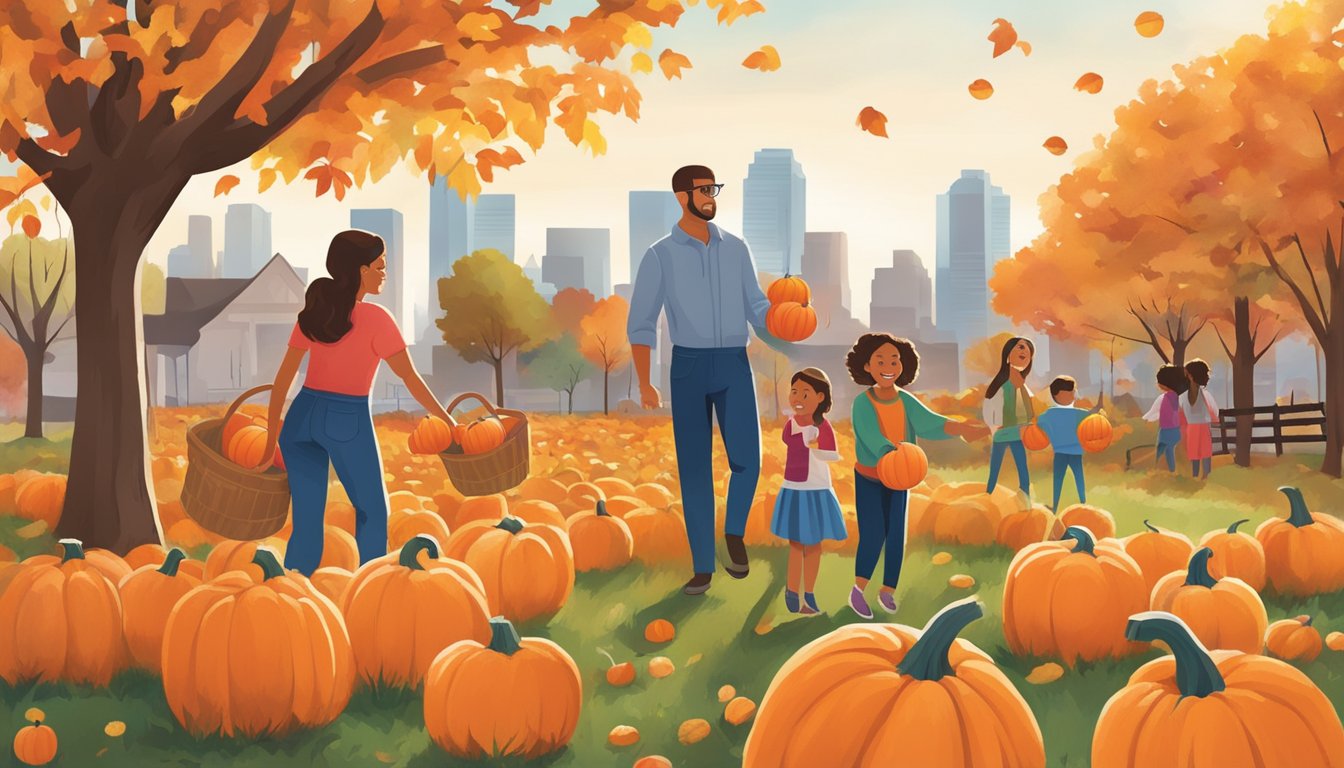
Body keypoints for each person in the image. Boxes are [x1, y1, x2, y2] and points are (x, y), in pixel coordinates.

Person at [260, 230, 453, 576]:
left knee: (306, 521)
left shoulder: (316, 310)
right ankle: (370, 588)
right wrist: (448, 421)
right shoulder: (377, 320)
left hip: (301, 417)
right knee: (372, 512)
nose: (384, 274)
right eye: (380, 267)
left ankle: (290, 590)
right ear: (361, 270)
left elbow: (282, 381)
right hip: (346, 418)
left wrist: (271, 436)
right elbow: (410, 378)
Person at [627, 164, 779, 596]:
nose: (712, 196)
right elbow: (641, 322)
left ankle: (733, 534)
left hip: (733, 363)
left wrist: (787, 317)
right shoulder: (659, 255)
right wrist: (645, 381)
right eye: (704, 189)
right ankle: (701, 568)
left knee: (748, 460)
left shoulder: (736, 249)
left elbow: (757, 307)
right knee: (694, 470)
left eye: (714, 188)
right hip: (689, 367)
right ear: (682, 196)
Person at [846, 333, 991, 618]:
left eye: (894, 360)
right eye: (880, 360)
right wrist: (891, 451)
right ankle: (858, 590)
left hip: (899, 479)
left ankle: (887, 590)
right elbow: (869, 434)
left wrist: (962, 428)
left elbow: (929, 423)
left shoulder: (906, 401)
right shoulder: (863, 403)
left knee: (896, 535)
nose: (889, 365)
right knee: (873, 534)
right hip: (871, 478)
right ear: (866, 366)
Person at [770, 368, 846, 615]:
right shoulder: (790, 424)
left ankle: (810, 594)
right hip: (794, 487)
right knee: (795, 543)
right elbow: (787, 441)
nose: (797, 399)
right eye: (794, 392)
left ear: (820, 398)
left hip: (816, 489)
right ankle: (792, 590)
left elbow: (832, 455)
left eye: (805, 394)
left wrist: (816, 447)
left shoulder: (823, 427)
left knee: (813, 545)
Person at [1035, 376, 1103, 511]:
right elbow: (1092, 414)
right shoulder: (1075, 413)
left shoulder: (1051, 413)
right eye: (1071, 392)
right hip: (1069, 451)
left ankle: (1070, 504)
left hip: (1065, 451)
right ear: (1057, 394)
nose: (1073, 394)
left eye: (1073, 391)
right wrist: (1098, 407)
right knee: (1072, 478)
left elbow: (1039, 422)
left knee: (1065, 478)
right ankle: (1079, 504)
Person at [983, 337, 1036, 496]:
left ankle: (1025, 496)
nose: (1025, 352)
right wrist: (993, 426)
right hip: (1002, 432)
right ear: (1007, 354)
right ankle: (989, 494)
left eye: (1028, 351)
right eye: (1020, 347)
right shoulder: (1001, 383)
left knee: (1022, 467)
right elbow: (989, 405)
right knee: (995, 468)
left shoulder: (1023, 385)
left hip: (1019, 432)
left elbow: (1029, 408)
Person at [1142, 365, 1188, 473]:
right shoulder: (1178, 397)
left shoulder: (1166, 397)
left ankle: (1162, 470)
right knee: (1168, 451)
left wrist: (1146, 419)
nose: (1158, 384)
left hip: (1167, 430)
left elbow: (1155, 412)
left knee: (1163, 450)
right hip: (1174, 430)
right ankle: (1168, 470)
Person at [1182, 359, 1219, 479]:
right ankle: (1201, 476)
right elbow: (1215, 412)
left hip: (1194, 428)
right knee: (1200, 452)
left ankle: (1200, 476)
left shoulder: (1184, 397)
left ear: (1191, 376)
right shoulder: (1203, 395)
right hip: (1199, 427)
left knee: (1199, 453)